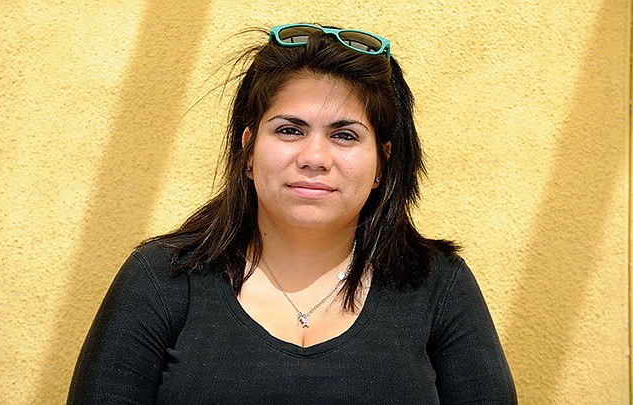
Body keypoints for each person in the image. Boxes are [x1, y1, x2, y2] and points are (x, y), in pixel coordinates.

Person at [68, 23, 517, 404]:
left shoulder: (439, 286)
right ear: (247, 150)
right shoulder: (160, 278)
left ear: (382, 163)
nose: (314, 157)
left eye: (344, 135)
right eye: (289, 130)